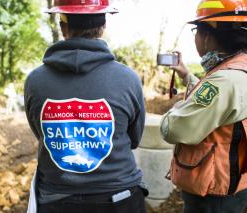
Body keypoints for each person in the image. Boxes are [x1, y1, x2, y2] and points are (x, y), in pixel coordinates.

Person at [24, 0, 147, 213]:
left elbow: (42, 134)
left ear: (63, 27)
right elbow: (134, 138)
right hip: (120, 198)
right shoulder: (128, 79)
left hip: (57, 199)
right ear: (104, 25)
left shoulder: (35, 81)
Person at [160, 0, 247, 212]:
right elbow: (224, 105)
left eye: (196, 31)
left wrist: (173, 112)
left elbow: (176, 129)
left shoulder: (225, 81)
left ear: (207, 37)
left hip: (214, 196)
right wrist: (186, 75)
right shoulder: (239, 69)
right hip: (236, 185)